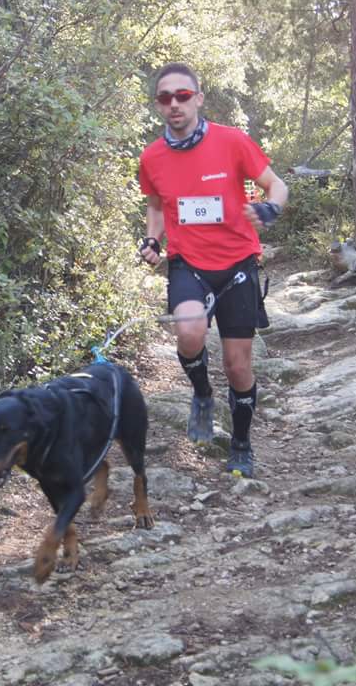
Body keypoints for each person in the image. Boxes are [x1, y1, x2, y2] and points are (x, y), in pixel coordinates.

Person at [137, 62, 289, 478]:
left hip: (239, 263)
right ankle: (202, 393)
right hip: (189, 262)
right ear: (158, 105)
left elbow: (277, 185)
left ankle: (241, 442)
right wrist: (153, 240)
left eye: (183, 96)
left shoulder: (233, 141)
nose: (174, 105)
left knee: (238, 366)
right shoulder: (151, 156)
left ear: (199, 98)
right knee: (188, 331)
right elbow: (156, 206)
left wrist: (270, 208)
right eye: (165, 98)